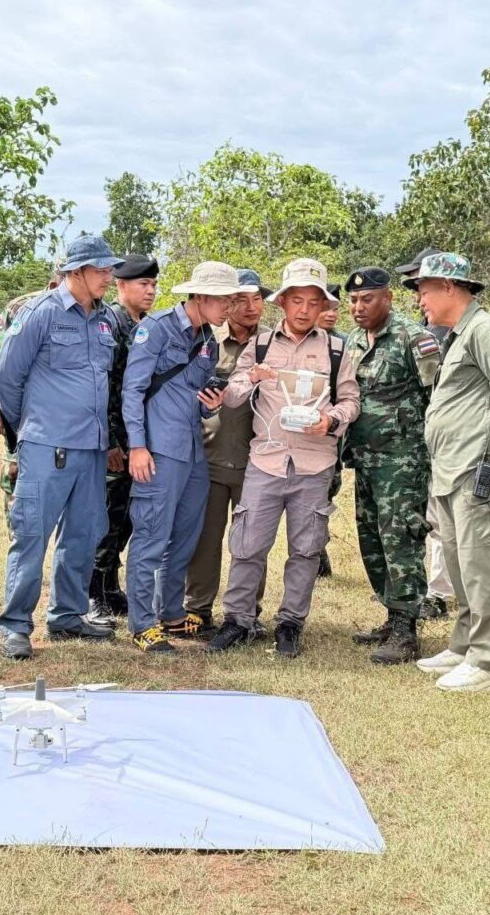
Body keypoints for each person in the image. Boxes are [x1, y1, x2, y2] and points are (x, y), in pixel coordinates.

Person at [206, 258, 360, 659]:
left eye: (313, 302)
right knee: (247, 546)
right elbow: (232, 396)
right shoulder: (260, 346)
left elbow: (351, 401)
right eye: (297, 300)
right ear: (283, 302)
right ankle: (237, 620)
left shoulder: (338, 350)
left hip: (315, 464)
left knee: (306, 550)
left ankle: (290, 623)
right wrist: (251, 377)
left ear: (323, 305)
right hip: (266, 461)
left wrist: (331, 420)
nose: (304, 309)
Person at [403, 253, 490, 692]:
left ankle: (488, 662)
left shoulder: (485, 330)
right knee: (460, 563)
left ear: (448, 286)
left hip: (478, 466)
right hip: (451, 466)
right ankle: (464, 646)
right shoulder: (457, 336)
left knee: (482, 565)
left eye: (423, 290)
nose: (419, 300)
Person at [0, 235, 122, 660]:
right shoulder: (40, 312)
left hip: (92, 448)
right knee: (32, 534)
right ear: (76, 272)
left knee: (83, 535)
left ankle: (67, 615)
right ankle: (15, 625)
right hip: (47, 446)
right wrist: (31, 428)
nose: (108, 276)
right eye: (101, 269)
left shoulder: (105, 318)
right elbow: (7, 379)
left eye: (109, 269)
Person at [122, 261, 249, 652]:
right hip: (158, 450)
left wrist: (211, 404)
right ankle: (143, 623)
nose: (229, 307)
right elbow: (133, 390)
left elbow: (196, 397)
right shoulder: (157, 329)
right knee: (151, 535)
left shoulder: (208, 339)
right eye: (224, 300)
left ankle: (172, 614)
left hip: (193, 451)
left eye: (232, 300)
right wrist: (137, 446)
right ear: (201, 296)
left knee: (185, 536)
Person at [343, 267, 439, 664]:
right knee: (372, 539)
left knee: (401, 539)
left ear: (388, 298)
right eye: (353, 300)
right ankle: (390, 614)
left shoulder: (414, 338)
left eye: (367, 299)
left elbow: (437, 396)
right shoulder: (352, 340)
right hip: (364, 458)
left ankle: (406, 629)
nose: (358, 307)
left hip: (403, 461)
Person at [184, 268, 272, 635]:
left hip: (258, 460)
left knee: (252, 541)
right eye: (241, 300)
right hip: (209, 456)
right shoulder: (208, 340)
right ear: (227, 302)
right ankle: (197, 608)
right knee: (205, 538)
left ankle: (247, 612)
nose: (251, 307)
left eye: (257, 299)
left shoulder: (273, 344)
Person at [88, 253, 160, 622]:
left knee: (126, 516)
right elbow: (103, 388)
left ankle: (111, 586)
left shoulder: (144, 325)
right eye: (143, 284)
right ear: (121, 285)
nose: (151, 291)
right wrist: (112, 442)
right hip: (114, 440)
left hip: (136, 438)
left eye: (154, 284)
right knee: (107, 517)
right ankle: (94, 592)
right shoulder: (110, 324)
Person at [0, 267, 61, 527]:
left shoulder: (90, 310)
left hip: (67, 421)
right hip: (22, 416)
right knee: (19, 483)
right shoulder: (22, 307)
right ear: (55, 282)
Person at [397, 248, 454, 620]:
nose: (417, 290)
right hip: (417, 438)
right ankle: (420, 588)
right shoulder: (423, 326)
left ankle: (438, 592)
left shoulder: (455, 330)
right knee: (420, 515)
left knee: (439, 516)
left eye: (421, 281)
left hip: (444, 440)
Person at [316, 282, 344, 578]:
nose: (331, 314)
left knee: (324, 494)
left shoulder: (344, 345)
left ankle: (318, 554)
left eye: (335, 309)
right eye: (325, 308)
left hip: (330, 436)